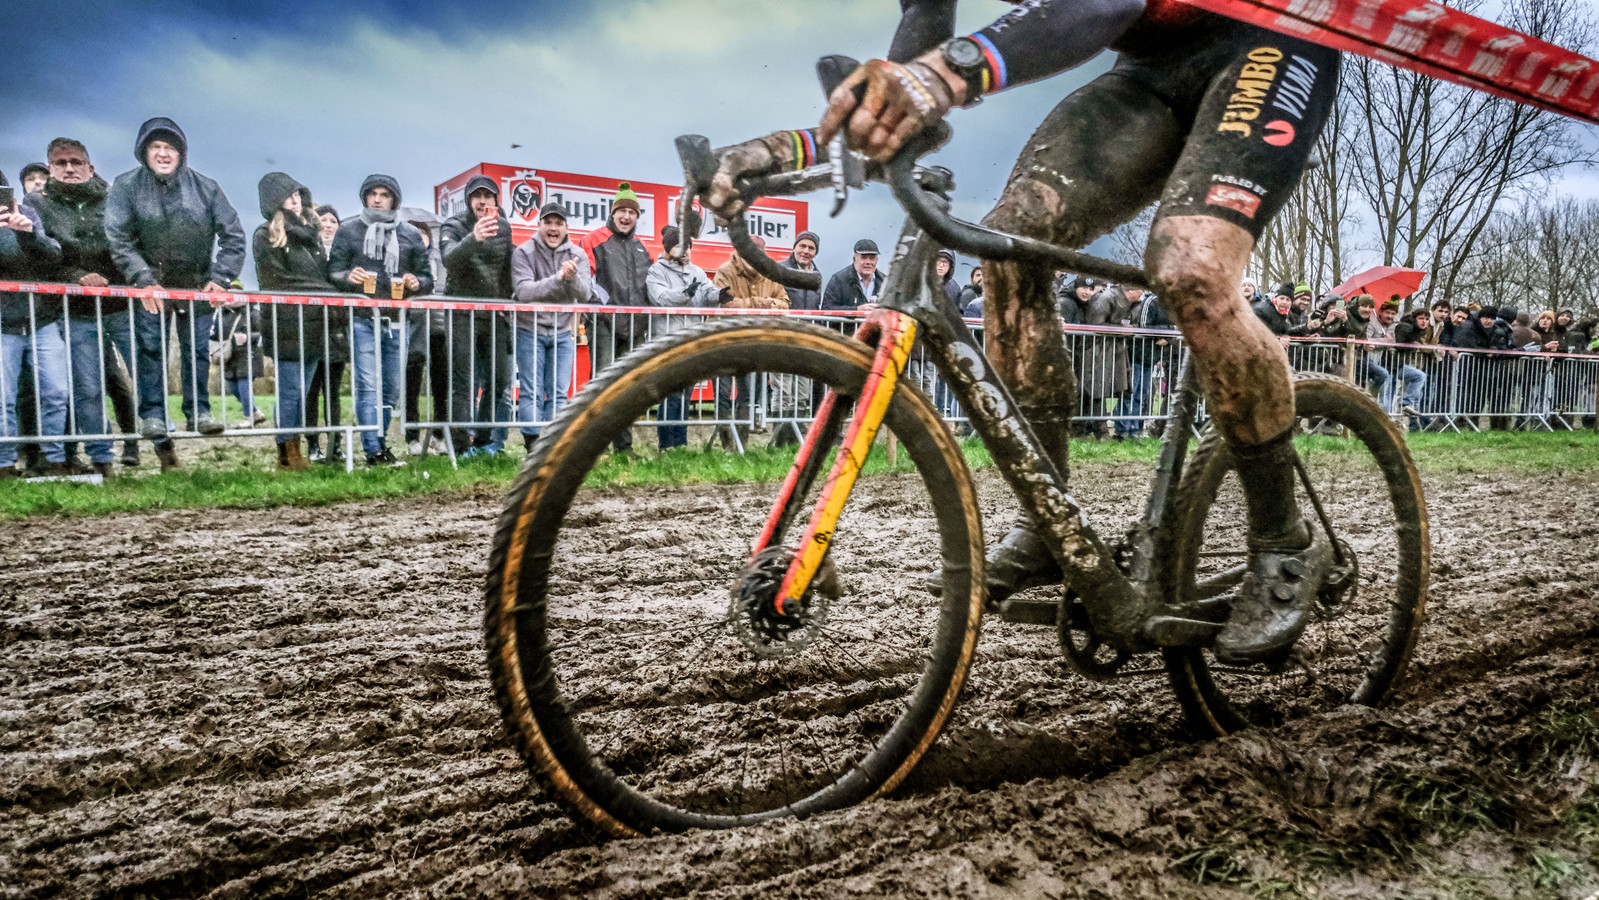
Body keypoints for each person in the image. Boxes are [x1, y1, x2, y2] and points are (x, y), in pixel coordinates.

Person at [700, 0, 1345, 663]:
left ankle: (1283, 542)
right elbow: (905, 78)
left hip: (1267, 45)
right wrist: (793, 149)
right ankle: (1049, 525)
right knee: (1008, 247)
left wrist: (943, 75)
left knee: (1190, 270)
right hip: (1150, 68)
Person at [104, 117, 247, 470]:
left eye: (170, 148)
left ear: (181, 153)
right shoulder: (126, 187)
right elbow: (118, 238)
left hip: (195, 285)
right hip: (149, 287)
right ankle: (152, 415)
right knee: (150, 350)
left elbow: (233, 236)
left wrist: (221, 278)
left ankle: (198, 411)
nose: (164, 154)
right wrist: (142, 279)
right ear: (144, 152)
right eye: (156, 147)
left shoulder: (206, 188)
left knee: (197, 350)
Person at [27, 137, 141, 474]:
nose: (69, 168)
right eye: (61, 163)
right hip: (74, 310)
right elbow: (39, 257)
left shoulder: (113, 199)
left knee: (146, 377)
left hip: (121, 303)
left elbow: (129, 243)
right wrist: (77, 275)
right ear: (50, 169)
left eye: (76, 162)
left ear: (90, 168)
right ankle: (102, 458)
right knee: (88, 388)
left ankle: (162, 448)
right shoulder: (36, 205)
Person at [327, 174, 432, 467]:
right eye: (372, 193)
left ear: (394, 200)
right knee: (367, 386)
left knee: (391, 389)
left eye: (384, 194)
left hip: (399, 321)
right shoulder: (349, 230)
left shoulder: (410, 234)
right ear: (364, 197)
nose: (377, 199)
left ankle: (381, 442)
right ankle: (372, 449)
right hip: (362, 319)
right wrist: (347, 277)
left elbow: (428, 279)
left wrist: (416, 282)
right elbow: (332, 272)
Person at [253, 172, 336, 470]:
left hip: (314, 323)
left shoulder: (311, 236)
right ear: (275, 201)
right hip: (286, 323)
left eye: (298, 194)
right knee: (291, 391)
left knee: (305, 392)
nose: (295, 200)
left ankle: (295, 449)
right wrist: (323, 291)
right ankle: (286, 454)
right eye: (288, 196)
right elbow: (277, 280)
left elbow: (322, 275)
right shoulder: (266, 235)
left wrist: (325, 291)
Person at [439, 175, 515, 459]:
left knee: (499, 380)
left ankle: (483, 441)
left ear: (496, 201)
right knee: (463, 381)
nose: (482, 201)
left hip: (494, 312)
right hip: (461, 312)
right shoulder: (453, 225)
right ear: (469, 201)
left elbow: (507, 271)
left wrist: (510, 307)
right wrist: (475, 237)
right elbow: (449, 260)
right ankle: (459, 447)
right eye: (476, 196)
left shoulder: (504, 227)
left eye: (488, 196)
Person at [0, 172, 66, 478]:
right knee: (3, 399)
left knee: (56, 392)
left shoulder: (28, 214)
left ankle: (54, 459)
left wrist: (29, 235)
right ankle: (4, 464)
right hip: (3, 325)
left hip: (41, 320)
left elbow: (53, 256)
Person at [511, 202, 590, 453]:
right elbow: (524, 291)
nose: (553, 228)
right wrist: (558, 278)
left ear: (567, 228)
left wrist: (573, 277)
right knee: (531, 391)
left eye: (559, 223)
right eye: (549, 223)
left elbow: (586, 293)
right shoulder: (523, 252)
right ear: (540, 225)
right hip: (528, 330)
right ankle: (532, 446)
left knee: (558, 392)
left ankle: (553, 446)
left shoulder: (578, 255)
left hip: (562, 332)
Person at [582, 182, 653, 455]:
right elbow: (586, 281)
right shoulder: (593, 240)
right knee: (602, 384)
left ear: (637, 217)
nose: (626, 216)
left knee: (627, 388)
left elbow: (650, 287)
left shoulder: (642, 248)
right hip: (603, 324)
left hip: (635, 328)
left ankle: (623, 447)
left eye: (631, 212)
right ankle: (591, 445)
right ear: (612, 213)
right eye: (621, 210)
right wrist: (605, 310)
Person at [644, 224, 720, 450]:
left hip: (692, 341)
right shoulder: (656, 271)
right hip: (668, 342)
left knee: (686, 396)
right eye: (679, 246)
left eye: (688, 246)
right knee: (671, 395)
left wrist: (720, 295)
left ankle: (681, 444)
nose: (685, 251)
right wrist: (685, 294)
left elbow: (708, 293)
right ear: (668, 248)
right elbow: (662, 298)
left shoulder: (696, 272)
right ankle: (666, 444)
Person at [304, 203, 347, 463]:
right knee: (311, 390)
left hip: (336, 332)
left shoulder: (344, 256)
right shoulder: (308, 252)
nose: (328, 224)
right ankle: (311, 444)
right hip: (311, 330)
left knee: (332, 392)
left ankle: (335, 445)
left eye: (333, 220)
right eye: (323, 219)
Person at [1368, 299, 1426, 417]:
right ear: (1380, 312)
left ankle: (1406, 404)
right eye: (1387, 313)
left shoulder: (1394, 326)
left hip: (1397, 365)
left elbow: (1397, 343)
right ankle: (1385, 421)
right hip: (1380, 364)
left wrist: (1411, 345)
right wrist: (1386, 341)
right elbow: (1365, 340)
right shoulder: (1372, 323)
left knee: (1420, 375)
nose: (1390, 316)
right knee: (1386, 394)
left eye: (1393, 314)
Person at [822, 240, 885, 310]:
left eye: (872, 258)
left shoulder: (885, 281)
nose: (868, 262)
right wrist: (856, 310)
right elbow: (827, 309)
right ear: (854, 259)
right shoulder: (838, 280)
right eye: (863, 257)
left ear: (877, 261)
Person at [780, 231, 823, 311]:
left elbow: (816, 307)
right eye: (802, 246)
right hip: (786, 323)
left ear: (815, 253)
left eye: (811, 248)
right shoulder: (780, 269)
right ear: (794, 249)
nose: (806, 251)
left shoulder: (817, 275)